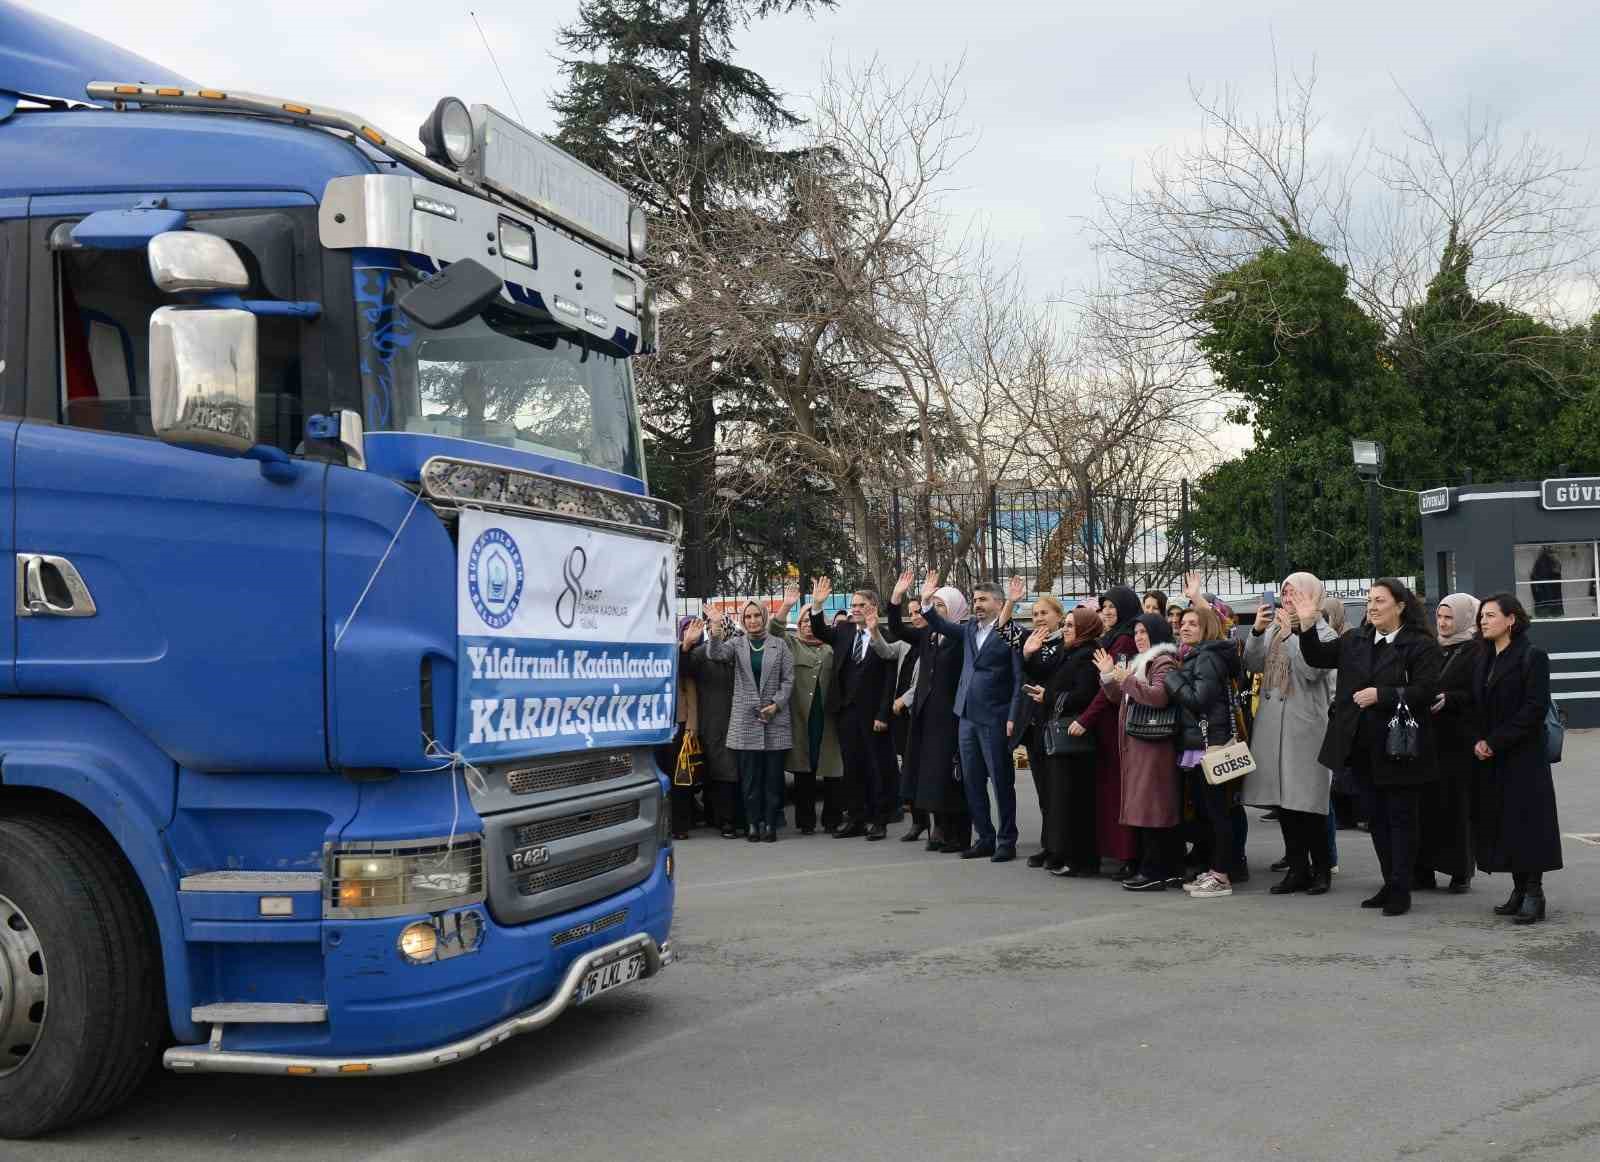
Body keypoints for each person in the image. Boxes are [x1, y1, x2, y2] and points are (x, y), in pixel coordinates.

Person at [1288, 578, 1442, 917]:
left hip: (1400, 747)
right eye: (1369, 600)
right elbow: (1317, 657)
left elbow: (1427, 690)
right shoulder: (1355, 640)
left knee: (1400, 819)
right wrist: (1307, 624)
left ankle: (1401, 889)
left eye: (1380, 601)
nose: (1372, 606)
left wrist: (1382, 695)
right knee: (1376, 819)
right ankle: (1390, 882)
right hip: (1360, 745)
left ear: (1400, 606)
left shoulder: (1419, 645)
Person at [1243, 573, 1338, 895]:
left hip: (1305, 728)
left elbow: (1313, 670)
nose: (1288, 598)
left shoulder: (1322, 631)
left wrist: (1295, 635)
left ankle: (1322, 869)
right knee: (1284, 804)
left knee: (1308, 803)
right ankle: (1297, 868)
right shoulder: (1274, 629)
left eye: (1295, 593)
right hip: (1273, 725)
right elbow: (1252, 664)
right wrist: (1258, 631)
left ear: (1312, 597)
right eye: (1285, 593)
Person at [919, 571, 1024, 862]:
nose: (977, 604)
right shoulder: (967, 630)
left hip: (995, 716)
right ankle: (985, 837)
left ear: (998, 603)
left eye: (983, 599)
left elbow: (1018, 678)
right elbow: (938, 622)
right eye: (975, 599)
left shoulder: (1011, 631)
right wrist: (927, 600)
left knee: (1001, 782)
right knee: (972, 781)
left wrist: (1013, 714)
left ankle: (1006, 840)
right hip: (965, 716)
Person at [1472, 593, 1563, 924]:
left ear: (1511, 620)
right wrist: (1479, 740)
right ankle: (1518, 889)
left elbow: (1534, 709)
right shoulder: (1483, 658)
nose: (1484, 620)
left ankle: (1534, 893)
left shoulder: (1532, 656)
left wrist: (1495, 741)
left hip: (1524, 757)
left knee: (1529, 825)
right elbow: (1476, 705)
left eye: (1491, 615)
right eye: (1482, 615)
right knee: (1505, 824)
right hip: (1493, 757)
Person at [695, 602, 795, 843]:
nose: (752, 620)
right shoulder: (736, 644)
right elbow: (715, 653)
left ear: (764, 617)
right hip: (746, 721)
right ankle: (752, 824)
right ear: (743, 619)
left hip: (774, 719)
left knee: (772, 780)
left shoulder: (780, 645)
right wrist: (716, 626)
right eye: (748, 616)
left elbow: (789, 679)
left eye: (756, 616)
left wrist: (776, 704)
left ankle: (769, 824)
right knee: (749, 780)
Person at [887, 571, 973, 854]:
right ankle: (938, 829)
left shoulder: (964, 637)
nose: (934, 611)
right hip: (925, 716)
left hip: (949, 716)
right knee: (929, 776)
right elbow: (898, 630)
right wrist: (897, 597)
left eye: (940, 606)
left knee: (950, 777)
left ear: (955, 609)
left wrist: (926, 602)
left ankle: (957, 835)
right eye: (933, 606)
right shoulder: (928, 635)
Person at [807, 577, 897, 840]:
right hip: (846, 711)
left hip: (873, 714)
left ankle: (879, 820)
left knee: (876, 767)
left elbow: (889, 680)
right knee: (852, 766)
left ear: (874, 607)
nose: (856, 608)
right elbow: (821, 632)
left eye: (862, 604)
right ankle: (856, 818)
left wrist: (883, 714)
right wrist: (817, 604)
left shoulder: (886, 636)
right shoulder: (845, 631)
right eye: (853, 604)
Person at [1097, 612, 1182, 890]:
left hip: (1154, 745)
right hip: (1139, 744)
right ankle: (1162, 868)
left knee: (1153, 809)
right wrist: (1110, 676)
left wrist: (1127, 681)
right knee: (1147, 808)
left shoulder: (1163, 661)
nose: (1138, 637)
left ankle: (1154, 871)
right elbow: (1118, 698)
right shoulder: (1141, 663)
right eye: (1136, 633)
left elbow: (1159, 696)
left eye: (1144, 632)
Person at [1165, 603, 1243, 899]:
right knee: (1207, 813)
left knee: (1217, 813)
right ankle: (1215, 869)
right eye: (1183, 623)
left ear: (1206, 628)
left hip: (1212, 746)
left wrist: (1173, 679)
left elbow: (1199, 700)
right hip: (1201, 745)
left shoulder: (1207, 658)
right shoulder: (1195, 656)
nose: (1184, 627)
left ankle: (1222, 875)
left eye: (1193, 624)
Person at [1026, 605, 1104, 876]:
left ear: (1085, 629)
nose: (1066, 629)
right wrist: (1030, 654)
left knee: (1075, 800)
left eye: (1071, 625)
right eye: (1066, 624)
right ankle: (1063, 853)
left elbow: (1084, 695)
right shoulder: (1069, 652)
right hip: (1064, 734)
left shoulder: (1087, 655)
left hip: (1076, 738)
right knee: (1061, 797)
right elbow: (1043, 674)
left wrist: (1048, 697)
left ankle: (1081, 860)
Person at [996, 580, 1069, 868]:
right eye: (1035, 613)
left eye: (1044, 613)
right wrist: (1012, 602)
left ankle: (1059, 845)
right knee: (1043, 790)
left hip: (1059, 721)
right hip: (1035, 724)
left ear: (1059, 616)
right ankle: (1047, 844)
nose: (1038, 618)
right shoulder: (1029, 638)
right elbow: (1003, 628)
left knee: (1057, 790)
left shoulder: (1068, 640)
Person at [1418, 593, 1481, 892]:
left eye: (1449, 618)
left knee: (1456, 807)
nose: (1442, 623)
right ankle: (1425, 869)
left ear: (1465, 619)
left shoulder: (1476, 651)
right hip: (1428, 738)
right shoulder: (1432, 648)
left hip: (1458, 740)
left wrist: (1451, 699)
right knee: (1426, 807)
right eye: (1440, 617)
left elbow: (1480, 694)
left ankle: (1460, 872)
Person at [1079, 586, 1142, 877]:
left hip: (1116, 723)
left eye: (1113, 606)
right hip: (1106, 725)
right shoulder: (1111, 637)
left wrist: (1086, 719)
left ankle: (1129, 854)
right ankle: (1118, 851)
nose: (1107, 611)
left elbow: (1111, 689)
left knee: (1120, 791)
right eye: (1103, 606)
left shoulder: (1125, 640)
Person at [771, 588, 843, 835]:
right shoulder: (791, 645)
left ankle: (832, 819)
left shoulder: (831, 647)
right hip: (802, 719)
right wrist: (787, 606)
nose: (807, 627)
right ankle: (805, 821)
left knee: (833, 769)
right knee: (805, 770)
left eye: (811, 621)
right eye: (802, 622)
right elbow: (774, 631)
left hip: (829, 719)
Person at [680, 614, 741, 837]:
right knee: (720, 770)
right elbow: (684, 669)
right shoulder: (701, 653)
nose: (718, 631)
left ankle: (729, 818)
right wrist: (686, 646)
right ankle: (724, 821)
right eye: (713, 627)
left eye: (721, 626)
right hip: (712, 721)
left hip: (738, 719)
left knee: (732, 771)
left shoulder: (738, 649)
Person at [864, 602, 921, 839]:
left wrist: (904, 700)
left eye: (919, 611)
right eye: (913, 612)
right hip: (901, 716)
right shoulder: (907, 643)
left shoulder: (933, 641)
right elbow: (886, 651)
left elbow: (928, 680)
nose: (915, 616)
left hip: (918, 711)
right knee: (908, 766)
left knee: (921, 767)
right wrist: (875, 630)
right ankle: (919, 821)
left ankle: (935, 823)